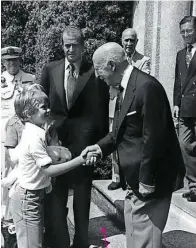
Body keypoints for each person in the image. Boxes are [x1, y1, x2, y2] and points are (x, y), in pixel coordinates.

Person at [82, 42, 184, 248]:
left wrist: (146, 181)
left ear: (111, 65)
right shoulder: (124, 87)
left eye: (99, 69)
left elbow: (155, 138)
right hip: (134, 180)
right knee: (135, 238)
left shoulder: (147, 87)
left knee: (144, 241)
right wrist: (100, 148)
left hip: (150, 181)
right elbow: (121, 131)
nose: (98, 76)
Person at [40, 25, 109, 248]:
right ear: (62, 45)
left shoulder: (94, 72)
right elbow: (42, 105)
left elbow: (101, 111)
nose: (70, 49)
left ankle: (81, 241)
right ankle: (58, 241)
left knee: (81, 197)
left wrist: (98, 146)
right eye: (66, 45)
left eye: (75, 45)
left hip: (84, 146)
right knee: (56, 197)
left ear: (82, 46)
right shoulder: (51, 69)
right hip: (56, 146)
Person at [9, 84, 87, 248]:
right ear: (28, 114)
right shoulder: (33, 137)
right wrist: (80, 160)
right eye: (43, 107)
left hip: (34, 196)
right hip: (27, 199)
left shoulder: (37, 132)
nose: (48, 110)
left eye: (48, 106)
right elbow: (49, 171)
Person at [108, 28, 151, 190]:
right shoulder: (113, 58)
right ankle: (116, 177)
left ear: (137, 42)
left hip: (133, 109)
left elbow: (141, 82)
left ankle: (132, 176)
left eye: (132, 40)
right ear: (121, 41)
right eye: (126, 40)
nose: (129, 43)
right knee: (114, 141)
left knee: (132, 142)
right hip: (115, 107)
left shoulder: (143, 60)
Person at [1, 46, 35, 222]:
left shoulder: (30, 80)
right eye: (8, 60)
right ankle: (5, 217)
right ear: (3, 61)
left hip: (25, 137)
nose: (11, 63)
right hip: (3, 140)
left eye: (15, 59)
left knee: (24, 174)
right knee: (5, 175)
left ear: (20, 60)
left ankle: (21, 215)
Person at [173, 16, 196, 202]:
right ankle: (193, 184)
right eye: (183, 32)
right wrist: (176, 103)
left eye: (189, 30)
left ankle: (194, 187)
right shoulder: (181, 54)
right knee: (184, 144)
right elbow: (178, 82)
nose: (186, 35)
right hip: (185, 108)